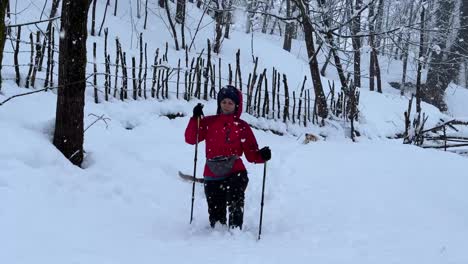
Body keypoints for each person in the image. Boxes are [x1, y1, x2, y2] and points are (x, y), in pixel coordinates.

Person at [184, 85, 271, 230]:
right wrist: (195, 119)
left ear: (237, 105)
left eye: (230, 103)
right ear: (219, 103)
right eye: (224, 102)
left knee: (236, 197)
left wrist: (262, 156)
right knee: (216, 220)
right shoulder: (209, 122)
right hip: (212, 172)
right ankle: (219, 234)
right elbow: (191, 138)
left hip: (235, 170)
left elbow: (251, 154)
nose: (226, 105)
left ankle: (236, 229)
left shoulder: (242, 126)